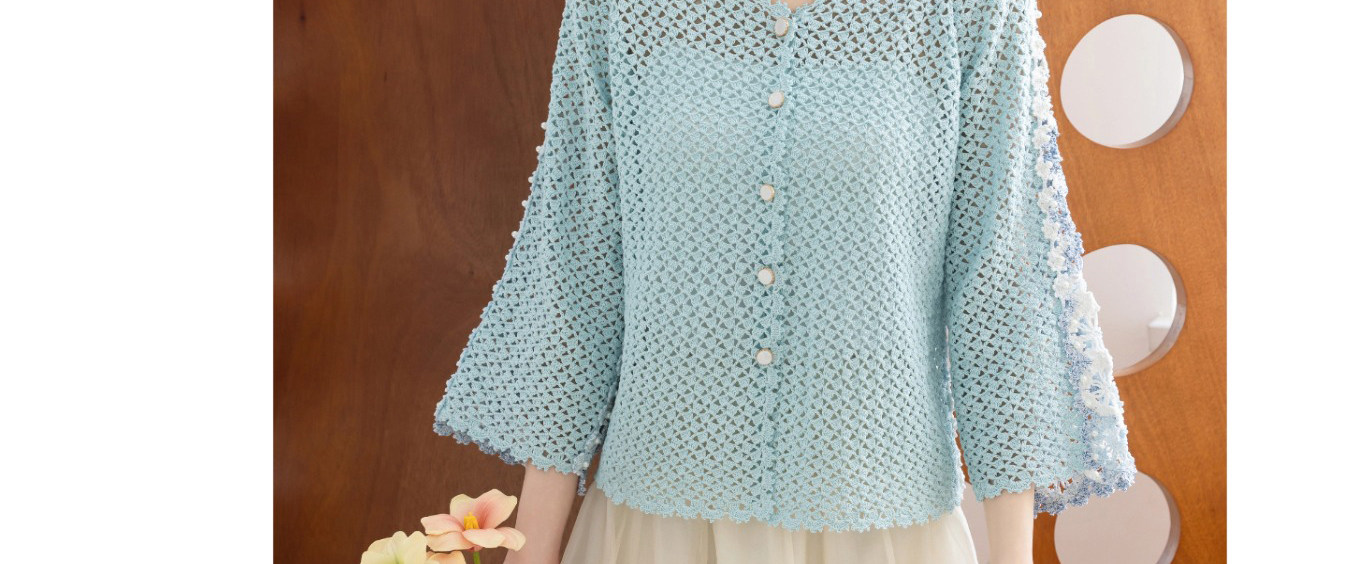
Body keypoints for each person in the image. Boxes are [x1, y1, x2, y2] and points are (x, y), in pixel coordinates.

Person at [431, 0, 1138, 562]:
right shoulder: (618, 11)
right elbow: (574, 274)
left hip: (882, 524)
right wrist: (533, 552)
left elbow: (1002, 288)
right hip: (656, 522)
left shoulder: (970, 12)